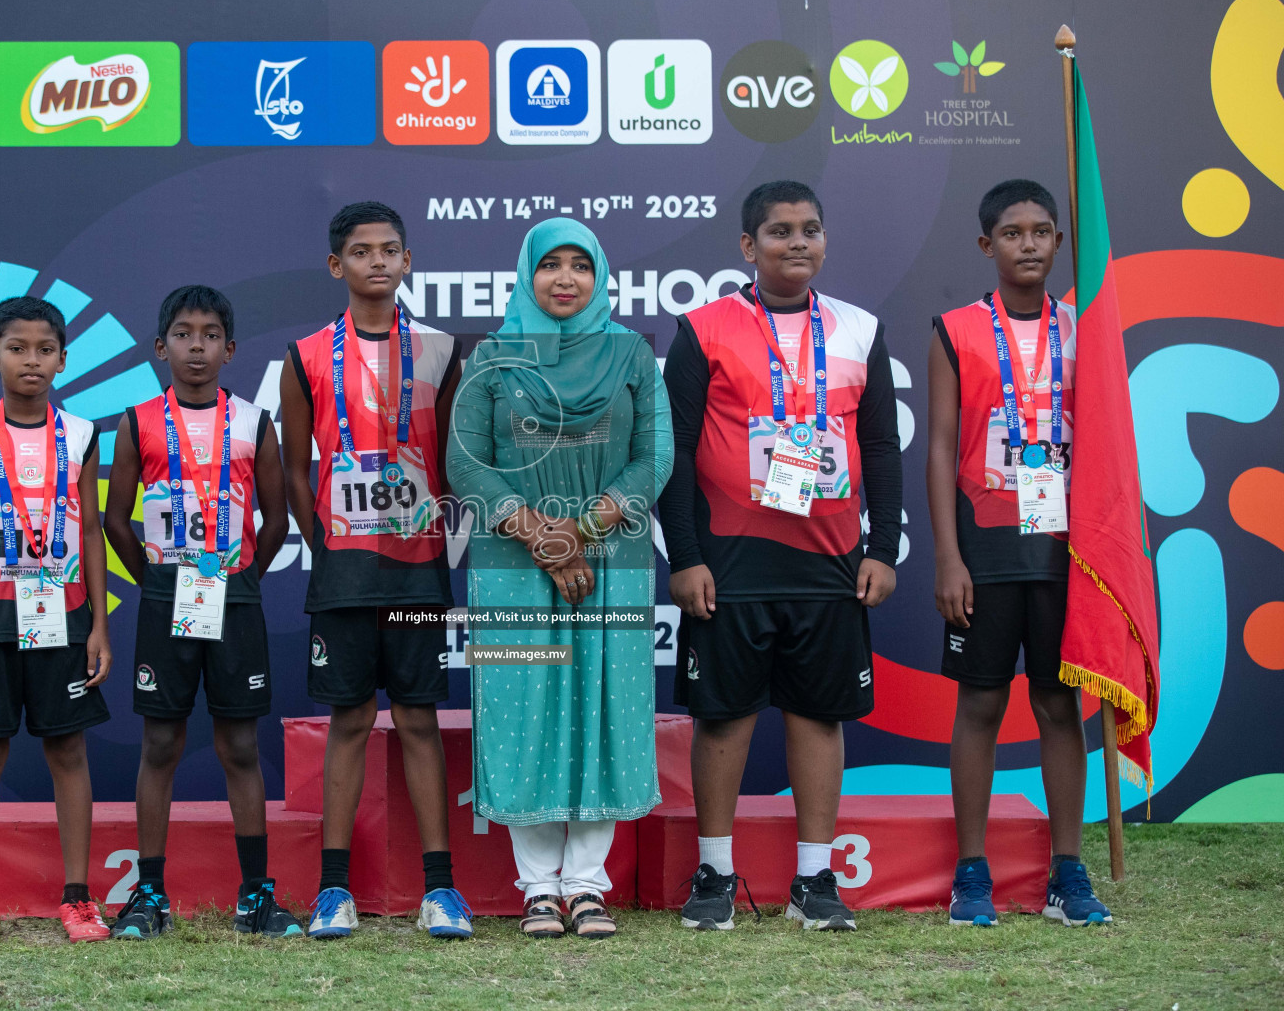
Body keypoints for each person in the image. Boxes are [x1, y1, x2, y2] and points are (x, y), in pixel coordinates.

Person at [661, 181, 902, 931]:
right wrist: (687, 557)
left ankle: (814, 878)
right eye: (778, 232)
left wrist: (883, 547)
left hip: (830, 560)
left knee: (817, 716)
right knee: (723, 718)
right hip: (730, 561)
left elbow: (881, 447)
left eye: (809, 230)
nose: (796, 243)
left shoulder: (859, 329)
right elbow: (675, 454)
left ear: (824, 241)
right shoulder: (703, 327)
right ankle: (716, 873)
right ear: (747, 247)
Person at [448, 218, 673, 939]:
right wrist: (538, 533)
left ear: (601, 276)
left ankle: (587, 886)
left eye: (581, 265)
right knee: (526, 711)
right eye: (551, 266)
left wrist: (585, 528)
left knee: (604, 706)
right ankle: (538, 889)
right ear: (527, 275)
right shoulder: (493, 357)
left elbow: (655, 453)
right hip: (513, 565)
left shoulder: (631, 352)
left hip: (614, 561)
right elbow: (465, 463)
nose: (566, 279)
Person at [279, 201, 472, 940]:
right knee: (350, 721)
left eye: (391, 250)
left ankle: (441, 891)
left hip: (419, 568)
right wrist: (324, 545)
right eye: (362, 252)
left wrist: (438, 535)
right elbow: (298, 471)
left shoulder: (440, 349)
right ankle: (334, 892)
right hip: (346, 573)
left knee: (420, 720)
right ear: (338, 266)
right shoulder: (304, 356)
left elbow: (454, 464)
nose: (379, 262)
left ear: (408, 260)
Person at [928, 179, 1111, 927]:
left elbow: (1111, 446)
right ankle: (972, 872)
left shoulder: (1087, 329)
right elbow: (940, 449)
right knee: (980, 703)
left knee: (1058, 703)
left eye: (1042, 231)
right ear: (986, 245)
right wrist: (948, 556)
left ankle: (1068, 874)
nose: (1029, 243)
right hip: (987, 545)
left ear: (1061, 244)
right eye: (1012, 233)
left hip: (1068, 550)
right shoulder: (956, 329)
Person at [103, 285, 301, 940]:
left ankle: (255, 896)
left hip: (234, 600)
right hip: (166, 600)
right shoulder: (136, 422)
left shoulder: (253, 422)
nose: (197, 346)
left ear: (230, 348)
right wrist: (156, 582)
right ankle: (148, 895)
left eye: (210, 334)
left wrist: (241, 575)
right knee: (160, 742)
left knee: (239, 745)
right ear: (161, 347)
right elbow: (116, 519)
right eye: (183, 334)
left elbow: (277, 516)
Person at [0, 296, 113, 945]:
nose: (31, 360)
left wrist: (98, 625)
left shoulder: (85, 435)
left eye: (44, 349)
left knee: (67, 747)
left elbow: (91, 531)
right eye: (17, 348)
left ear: (64, 360)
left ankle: (78, 898)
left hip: (62, 615)